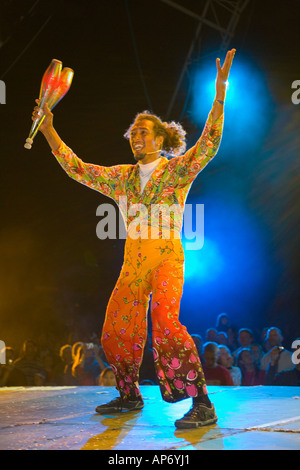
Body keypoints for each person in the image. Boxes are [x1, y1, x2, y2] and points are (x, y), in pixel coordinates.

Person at [31, 48, 236, 428]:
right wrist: (48, 129)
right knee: (115, 329)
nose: (136, 136)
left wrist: (220, 92)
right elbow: (76, 168)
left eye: (144, 131)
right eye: (133, 132)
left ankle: (202, 404)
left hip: (167, 258)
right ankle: (129, 395)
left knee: (165, 324)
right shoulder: (122, 177)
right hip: (133, 265)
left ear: (160, 138)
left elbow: (209, 142)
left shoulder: (176, 171)